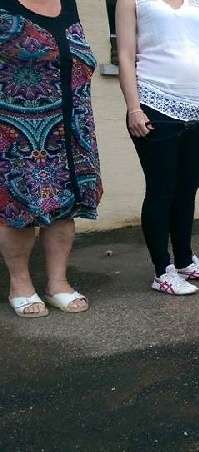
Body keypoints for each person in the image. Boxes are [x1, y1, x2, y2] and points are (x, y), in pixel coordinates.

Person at [116, 0, 199, 295]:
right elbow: (124, 55)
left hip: (198, 109)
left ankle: (185, 262)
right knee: (162, 190)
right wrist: (134, 108)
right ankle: (162, 271)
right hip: (154, 104)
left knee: (187, 190)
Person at [0, 0, 102, 317]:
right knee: (18, 207)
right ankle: (20, 284)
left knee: (65, 205)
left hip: (70, 129)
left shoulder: (67, 5)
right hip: (17, 127)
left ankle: (57, 283)